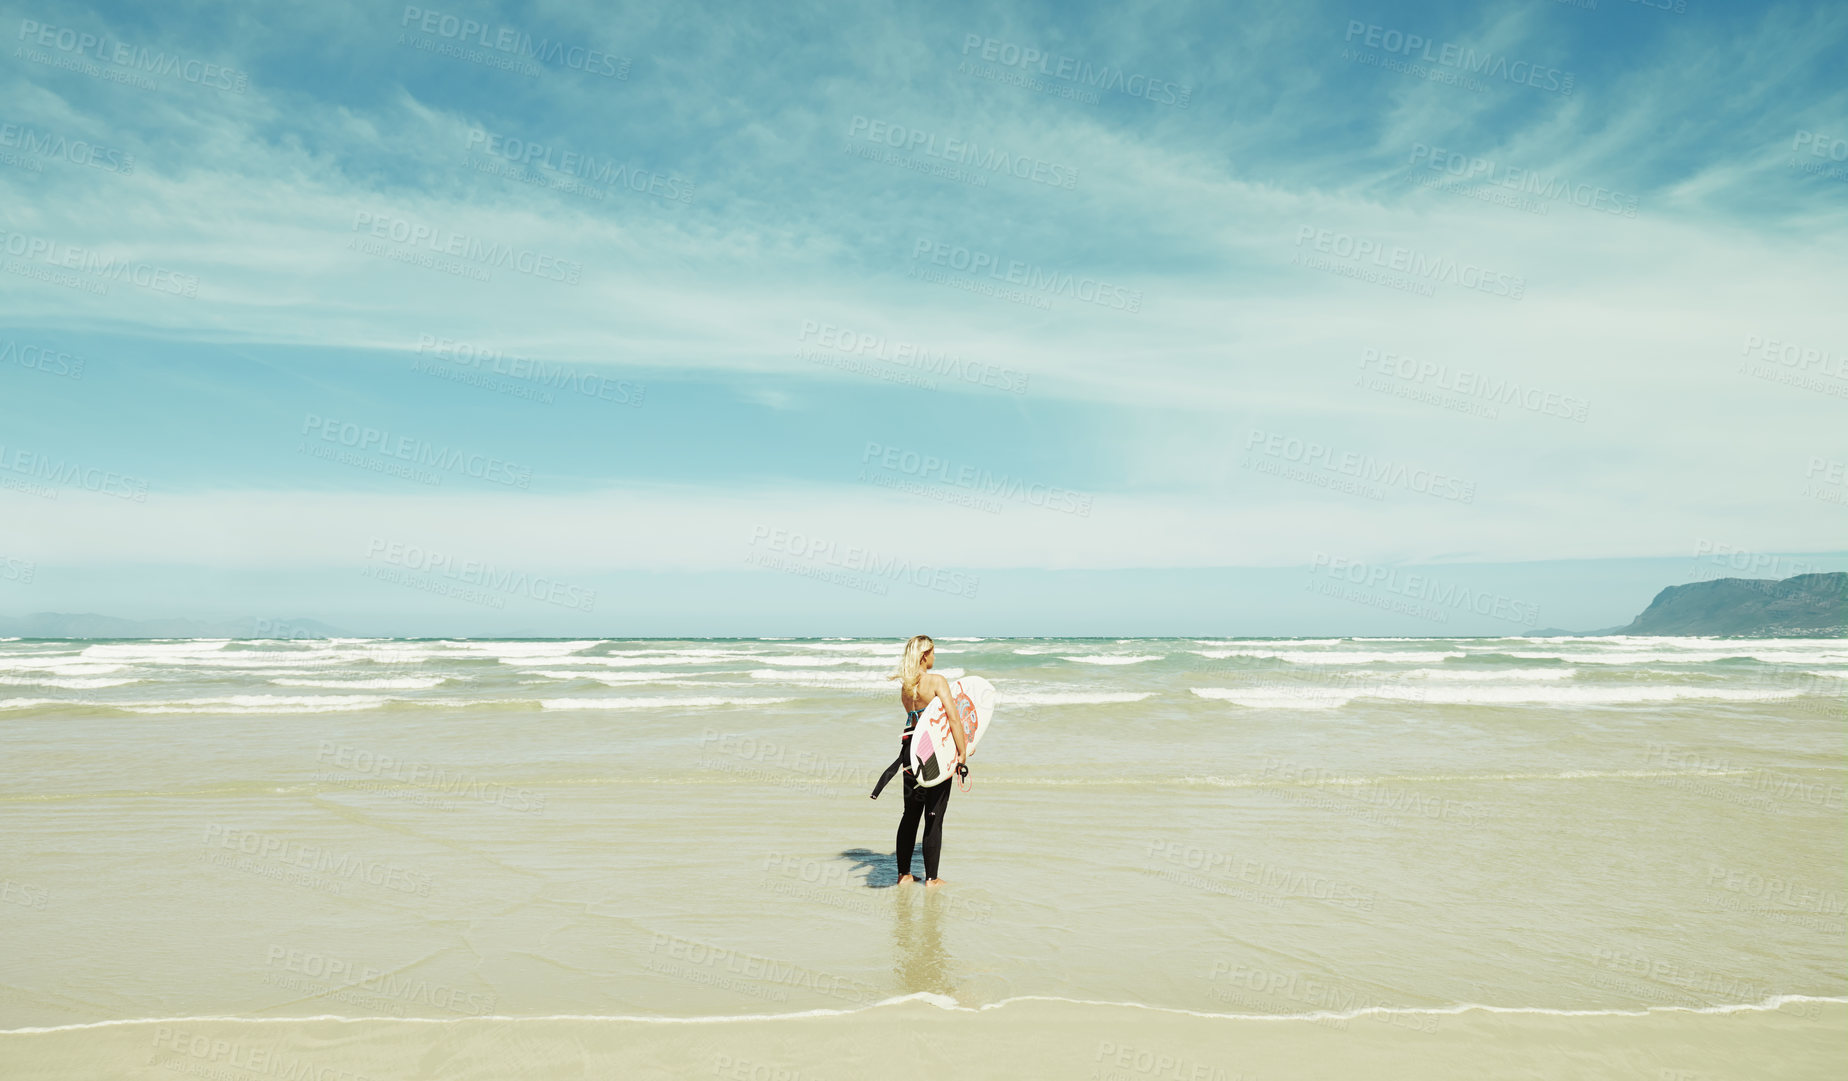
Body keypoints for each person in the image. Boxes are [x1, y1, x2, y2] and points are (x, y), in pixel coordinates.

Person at [879, 635, 968, 887]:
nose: (934, 657)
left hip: (910, 751)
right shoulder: (936, 681)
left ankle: (904, 874)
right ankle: (931, 878)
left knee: (910, 813)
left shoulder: (906, 688)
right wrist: (961, 752)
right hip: (935, 753)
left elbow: (917, 724)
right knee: (934, 815)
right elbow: (952, 718)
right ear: (924, 655)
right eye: (933, 652)